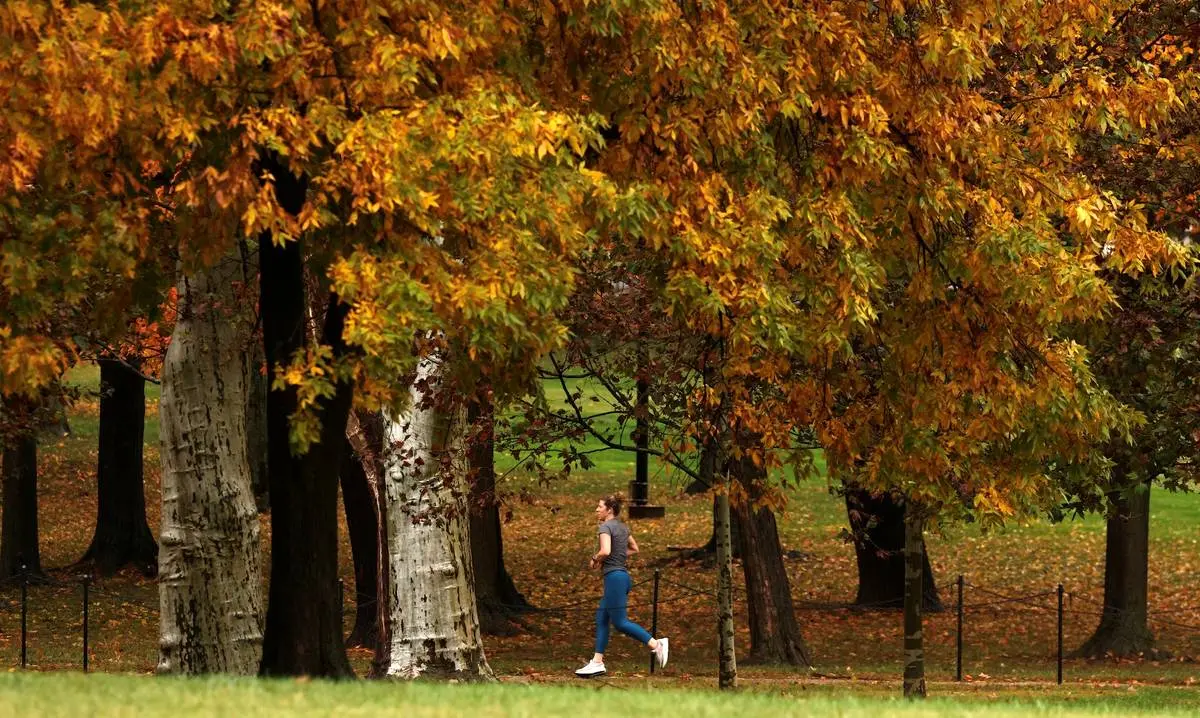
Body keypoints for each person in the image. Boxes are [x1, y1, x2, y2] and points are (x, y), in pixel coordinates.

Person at [574, 494, 669, 678]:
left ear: (609, 510)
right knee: (602, 617)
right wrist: (616, 556)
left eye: (599, 506)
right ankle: (597, 662)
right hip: (622, 577)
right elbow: (634, 548)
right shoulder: (623, 527)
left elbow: (605, 551)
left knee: (620, 622)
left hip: (615, 578)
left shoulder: (605, 527)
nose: (596, 509)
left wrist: (595, 560)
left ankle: (657, 645)